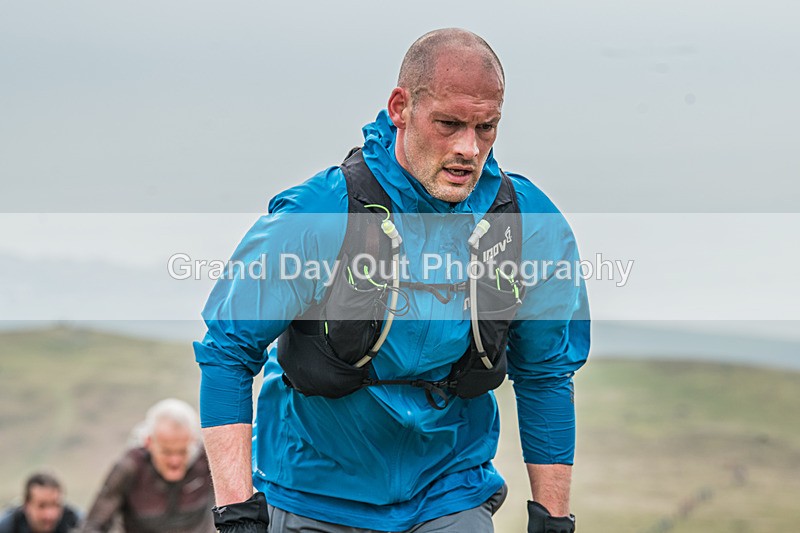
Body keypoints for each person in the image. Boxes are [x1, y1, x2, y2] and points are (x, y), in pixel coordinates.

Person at [195, 28, 590, 533]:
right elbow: (228, 349)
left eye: (486, 128)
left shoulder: (527, 221)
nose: (470, 148)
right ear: (400, 107)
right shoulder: (320, 213)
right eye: (448, 124)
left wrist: (552, 519)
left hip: (449, 493)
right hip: (311, 495)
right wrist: (237, 513)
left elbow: (547, 373)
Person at [81, 399, 215, 533]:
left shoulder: (207, 461)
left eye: (182, 452)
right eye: (166, 452)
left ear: (193, 442)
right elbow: (94, 524)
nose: (175, 461)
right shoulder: (130, 467)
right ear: (149, 442)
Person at [0, 472, 80, 533]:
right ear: (26, 505)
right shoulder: (7, 527)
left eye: (56, 505)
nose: (49, 515)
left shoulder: (76, 522)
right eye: (42, 506)